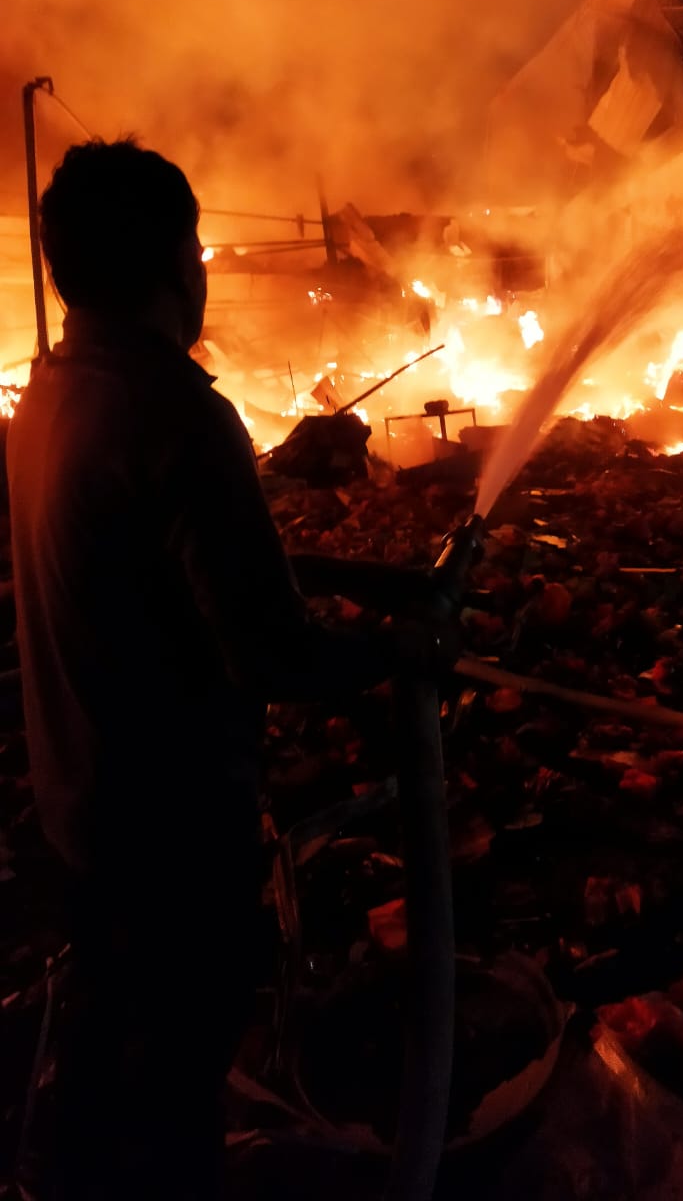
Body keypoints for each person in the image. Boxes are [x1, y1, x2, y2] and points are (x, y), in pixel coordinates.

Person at [7, 139, 434, 1200]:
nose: (203, 271)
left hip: (80, 802)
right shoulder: (179, 415)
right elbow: (268, 645)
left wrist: (361, 576)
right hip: (171, 827)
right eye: (196, 249)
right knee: (170, 1093)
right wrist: (394, 655)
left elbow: (145, 556)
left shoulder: (51, 394)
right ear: (169, 264)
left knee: (110, 1064)